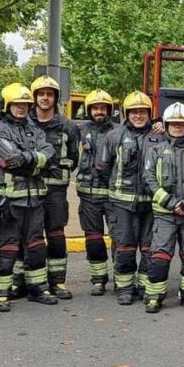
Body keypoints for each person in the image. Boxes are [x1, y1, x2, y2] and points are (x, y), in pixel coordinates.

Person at [0, 83, 57, 312]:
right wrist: (36, 161)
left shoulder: (35, 129)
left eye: (25, 105)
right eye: (17, 104)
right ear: (7, 105)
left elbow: (49, 154)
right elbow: (7, 160)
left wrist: (27, 159)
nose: (21, 108)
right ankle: (0, 293)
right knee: (7, 248)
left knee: (36, 246)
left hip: (35, 199)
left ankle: (38, 288)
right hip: (8, 201)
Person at [142, 102, 184, 313]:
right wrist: (172, 204)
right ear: (166, 125)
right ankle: (155, 296)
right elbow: (149, 180)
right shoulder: (156, 151)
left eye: (181, 124)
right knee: (159, 258)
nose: (177, 127)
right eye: (173, 124)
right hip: (164, 216)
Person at [100, 91, 165, 305]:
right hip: (122, 203)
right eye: (134, 112)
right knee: (124, 246)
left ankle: (145, 286)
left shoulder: (159, 137)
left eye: (142, 112)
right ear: (127, 114)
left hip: (150, 203)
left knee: (149, 247)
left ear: (149, 113)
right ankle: (124, 287)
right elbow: (104, 167)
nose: (138, 116)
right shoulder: (113, 136)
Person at [29, 75, 80, 300]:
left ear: (55, 98)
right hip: (30, 189)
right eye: (41, 94)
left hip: (56, 192)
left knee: (56, 235)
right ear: (35, 98)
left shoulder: (67, 126)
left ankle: (57, 282)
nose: (45, 98)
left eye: (49, 94)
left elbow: (74, 157)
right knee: (32, 237)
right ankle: (32, 283)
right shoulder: (25, 124)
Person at [76, 89, 115, 296]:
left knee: (119, 238)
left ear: (109, 110)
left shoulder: (118, 131)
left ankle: (122, 278)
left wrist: (157, 124)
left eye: (103, 108)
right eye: (95, 108)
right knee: (94, 239)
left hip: (112, 196)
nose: (99, 111)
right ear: (89, 110)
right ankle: (98, 279)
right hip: (88, 196)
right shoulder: (79, 131)